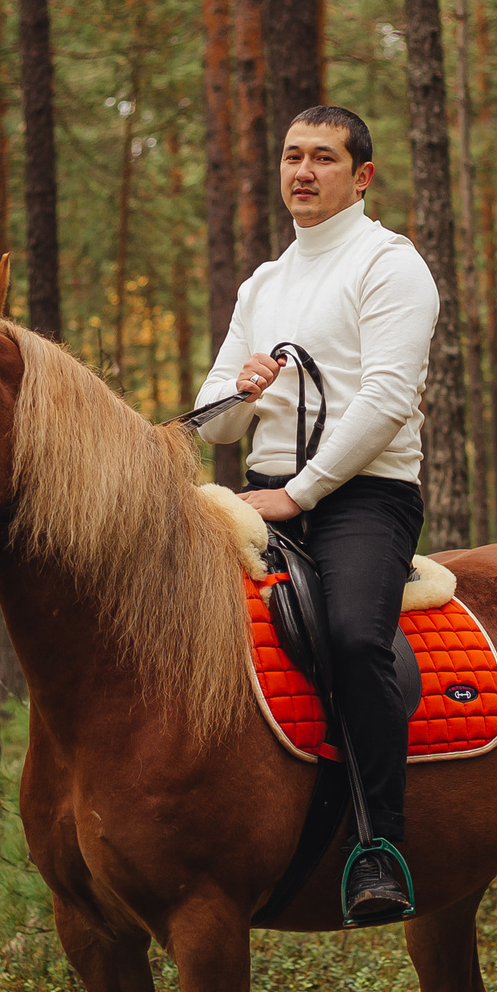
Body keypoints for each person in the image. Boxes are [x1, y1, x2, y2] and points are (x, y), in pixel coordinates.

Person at [193, 105, 440, 925]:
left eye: (324, 158)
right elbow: (214, 418)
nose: (303, 171)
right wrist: (245, 389)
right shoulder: (263, 283)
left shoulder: (389, 265)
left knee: (350, 637)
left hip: (364, 493)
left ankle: (380, 846)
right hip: (262, 491)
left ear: (361, 176)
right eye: (294, 155)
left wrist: (302, 493)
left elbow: (387, 397)